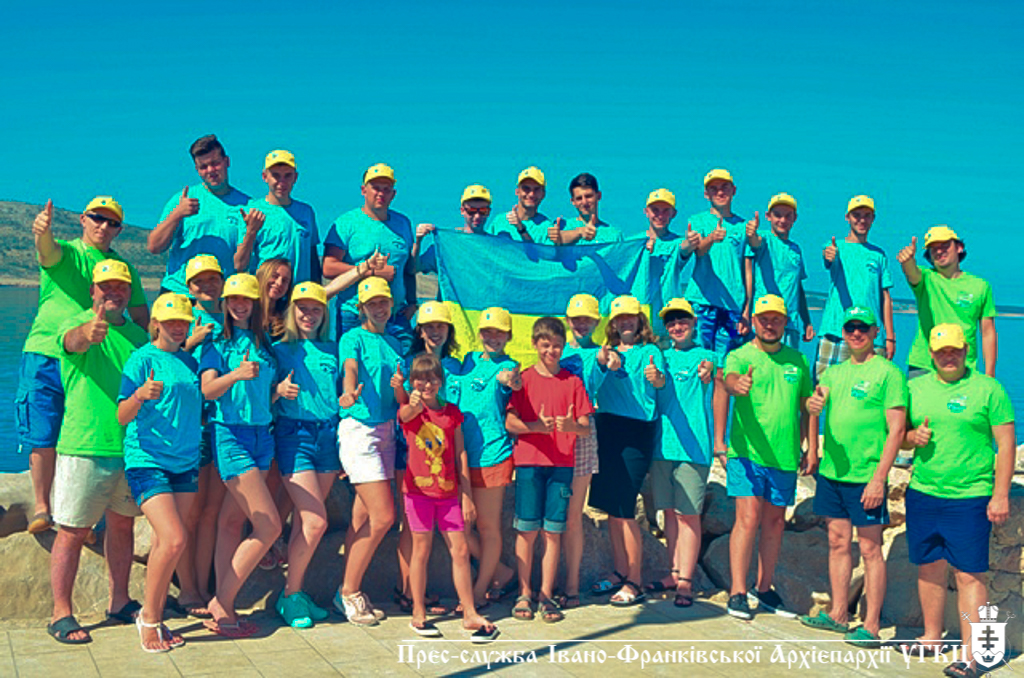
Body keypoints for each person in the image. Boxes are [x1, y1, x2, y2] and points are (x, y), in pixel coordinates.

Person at [19, 197, 148, 536]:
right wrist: (41, 232)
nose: (103, 226)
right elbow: (47, 251)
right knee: (43, 431)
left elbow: (140, 316)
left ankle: (78, 515)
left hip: (95, 360)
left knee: (79, 432)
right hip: (48, 351)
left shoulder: (123, 268)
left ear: (119, 230)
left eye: (112, 222)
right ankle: (42, 507)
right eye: (97, 218)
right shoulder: (69, 252)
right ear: (82, 219)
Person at [899, 324, 1015, 678]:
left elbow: (1006, 444)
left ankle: (973, 656)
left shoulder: (988, 389)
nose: (948, 356)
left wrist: (1000, 494)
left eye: (954, 350)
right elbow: (897, 437)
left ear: (966, 350)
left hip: (970, 496)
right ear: (931, 354)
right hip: (923, 492)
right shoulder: (914, 388)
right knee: (929, 566)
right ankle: (931, 638)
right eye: (941, 351)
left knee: (969, 575)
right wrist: (912, 437)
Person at [46, 260, 148, 645]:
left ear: (129, 292)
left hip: (129, 448)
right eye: (106, 286)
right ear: (92, 291)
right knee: (73, 530)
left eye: (121, 286)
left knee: (122, 525)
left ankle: (119, 601)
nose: (114, 292)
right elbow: (72, 342)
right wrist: (87, 334)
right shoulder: (76, 324)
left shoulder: (138, 337)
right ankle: (60, 612)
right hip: (85, 446)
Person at [800, 307, 906, 648]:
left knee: (871, 549)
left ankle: (871, 625)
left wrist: (879, 478)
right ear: (843, 333)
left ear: (875, 332)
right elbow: (815, 406)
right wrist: (812, 448)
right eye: (850, 328)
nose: (856, 333)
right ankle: (838, 613)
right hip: (833, 473)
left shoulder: (889, 373)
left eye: (863, 327)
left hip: (866, 476)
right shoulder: (834, 373)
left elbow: (897, 430)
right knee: (837, 542)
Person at [117, 293, 202, 652]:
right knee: (174, 539)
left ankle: (156, 614)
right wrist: (139, 395)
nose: (177, 327)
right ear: (155, 324)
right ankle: (149, 618)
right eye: (170, 322)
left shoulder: (190, 362)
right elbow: (122, 415)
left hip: (185, 462)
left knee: (165, 544)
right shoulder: (141, 359)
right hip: (148, 460)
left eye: (182, 322)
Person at [199, 273, 281, 637]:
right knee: (269, 525)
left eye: (245, 299)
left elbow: (262, 394)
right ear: (225, 303)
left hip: (263, 436)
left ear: (255, 303)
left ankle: (225, 607)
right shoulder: (217, 343)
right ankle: (222, 601)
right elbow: (208, 390)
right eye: (233, 299)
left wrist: (279, 392)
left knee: (232, 522)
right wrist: (235, 375)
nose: (239, 304)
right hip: (231, 435)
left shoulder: (265, 343)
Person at [722, 294, 813, 620]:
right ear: (754, 321)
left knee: (774, 523)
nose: (770, 324)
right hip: (746, 454)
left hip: (784, 456)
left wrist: (810, 448)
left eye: (776, 319)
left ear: (785, 322)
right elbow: (728, 381)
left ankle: (763, 588)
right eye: (764, 319)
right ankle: (736, 592)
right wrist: (737, 384)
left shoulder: (798, 361)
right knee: (747, 519)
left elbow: (807, 405)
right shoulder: (739, 355)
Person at [399, 353, 500, 640]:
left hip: (448, 494)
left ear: (441, 381)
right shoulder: (409, 410)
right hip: (418, 494)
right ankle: (418, 612)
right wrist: (412, 403)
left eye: (432, 379)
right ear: (412, 382)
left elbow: (460, 453)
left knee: (461, 550)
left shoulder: (452, 413)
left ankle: (469, 612)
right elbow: (404, 416)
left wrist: (466, 495)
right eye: (420, 379)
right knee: (421, 550)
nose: (426, 384)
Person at [506, 317, 593, 623]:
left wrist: (570, 426)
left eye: (556, 346)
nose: (551, 351)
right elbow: (510, 422)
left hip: (561, 466)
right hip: (529, 464)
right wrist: (535, 427)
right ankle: (524, 593)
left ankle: (546, 595)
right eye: (545, 345)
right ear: (534, 344)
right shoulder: (523, 380)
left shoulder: (573, 382)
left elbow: (585, 426)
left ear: (563, 346)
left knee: (553, 532)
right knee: (527, 530)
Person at [333, 276, 403, 625]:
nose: (379, 308)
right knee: (384, 517)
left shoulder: (395, 343)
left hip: (387, 432)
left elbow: (399, 392)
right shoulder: (352, 338)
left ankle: (347, 589)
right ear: (361, 308)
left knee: (361, 519)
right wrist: (348, 392)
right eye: (372, 303)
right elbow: (350, 368)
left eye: (383, 302)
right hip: (360, 431)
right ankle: (349, 592)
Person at [588, 296, 666, 606]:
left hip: (636, 430)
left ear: (639, 320)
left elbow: (659, 382)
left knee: (625, 507)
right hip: (607, 427)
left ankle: (635, 580)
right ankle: (620, 571)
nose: (625, 322)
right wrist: (604, 364)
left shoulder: (650, 351)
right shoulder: (605, 352)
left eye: (630, 317)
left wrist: (656, 378)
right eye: (620, 318)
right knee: (611, 508)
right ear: (613, 323)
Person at [271, 282, 339, 628]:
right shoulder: (278, 350)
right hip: (294, 435)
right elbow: (261, 394)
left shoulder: (333, 349)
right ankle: (289, 595)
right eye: (303, 309)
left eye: (315, 309)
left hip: (328, 436)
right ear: (292, 312)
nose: (309, 315)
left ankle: (296, 594)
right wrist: (278, 390)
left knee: (304, 521)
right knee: (316, 521)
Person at [391, 301, 464, 614]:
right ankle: (408, 593)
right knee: (411, 529)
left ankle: (415, 593)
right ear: (419, 331)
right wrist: (400, 391)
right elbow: (404, 408)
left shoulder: (457, 365)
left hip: (446, 452)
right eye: (429, 326)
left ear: (449, 330)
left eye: (440, 326)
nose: (435, 332)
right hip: (410, 451)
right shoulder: (409, 364)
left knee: (449, 532)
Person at [650, 298, 716, 607]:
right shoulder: (660, 358)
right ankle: (674, 572)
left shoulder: (708, 357)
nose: (677, 326)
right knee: (668, 513)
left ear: (693, 322)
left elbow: (715, 374)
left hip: (694, 450)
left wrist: (709, 373)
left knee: (688, 515)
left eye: (683, 320)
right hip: (662, 447)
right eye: (672, 322)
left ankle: (687, 581)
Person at [685, 169, 753, 464]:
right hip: (702, 304)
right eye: (714, 188)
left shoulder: (743, 227)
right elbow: (698, 252)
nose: (720, 192)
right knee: (700, 368)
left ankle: (719, 441)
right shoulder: (697, 221)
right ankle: (697, 433)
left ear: (733, 190)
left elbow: (747, 268)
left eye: (725, 187)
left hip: (732, 308)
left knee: (723, 374)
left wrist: (747, 308)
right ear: (706, 193)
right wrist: (711, 238)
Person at [455, 308, 521, 606]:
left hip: (492, 455)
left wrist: (511, 381)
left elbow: (512, 382)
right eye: (488, 332)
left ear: (508, 336)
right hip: (460, 456)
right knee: (457, 525)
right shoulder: (468, 361)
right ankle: (502, 572)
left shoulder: (508, 366)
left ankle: (480, 590)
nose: (493, 337)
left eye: (500, 332)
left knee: (487, 527)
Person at [558, 294, 620, 609]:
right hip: (554, 432)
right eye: (576, 318)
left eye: (587, 319)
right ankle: (547, 583)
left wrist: (605, 361)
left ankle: (570, 585)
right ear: (568, 320)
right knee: (551, 513)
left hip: (583, 432)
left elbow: (598, 379)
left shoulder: (600, 354)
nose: (581, 324)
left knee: (572, 515)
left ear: (597, 322)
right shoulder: (556, 351)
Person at [178, 255, 227, 616]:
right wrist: (190, 342)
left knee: (211, 512)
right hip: (191, 426)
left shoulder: (232, 317)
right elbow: (160, 360)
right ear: (189, 286)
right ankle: (187, 590)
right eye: (200, 281)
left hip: (221, 426)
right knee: (191, 514)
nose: (207, 286)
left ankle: (203, 584)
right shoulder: (182, 318)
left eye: (213, 279)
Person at [322, 163, 416, 350]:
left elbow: (408, 268)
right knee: (355, 365)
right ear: (364, 190)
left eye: (386, 189)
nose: (381, 193)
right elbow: (328, 267)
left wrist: (413, 303)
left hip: (396, 314)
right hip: (355, 313)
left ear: (393, 194)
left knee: (403, 364)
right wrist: (371, 271)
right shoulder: (346, 223)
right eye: (376, 188)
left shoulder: (403, 223)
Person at [148, 134, 252, 295]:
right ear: (197, 170)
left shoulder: (247, 206)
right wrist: (177, 215)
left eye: (215, 163)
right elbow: (154, 247)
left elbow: (242, 264)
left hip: (219, 297)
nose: (210, 170)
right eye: (203, 167)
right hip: (179, 292)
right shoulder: (183, 199)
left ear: (227, 162)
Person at [896, 225, 997, 378]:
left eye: (944, 245)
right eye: (933, 249)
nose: (939, 251)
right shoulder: (926, 278)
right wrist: (907, 261)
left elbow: (988, 333)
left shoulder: (980, 286)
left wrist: (990, 374)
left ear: (959, 248)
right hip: (924, 365)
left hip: (963, 366)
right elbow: (912, 273)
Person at [814, 195, 895, 381]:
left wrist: (890, 337)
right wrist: (829, 255)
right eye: (856, 215)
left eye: (867, 215)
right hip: (836, 332)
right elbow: (829, 258)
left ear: (873, 219)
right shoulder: (835, 246)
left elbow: (885, 297)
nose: (861, 220)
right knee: (824, 388)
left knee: (869, 390)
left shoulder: (879, 255)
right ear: (847, 217)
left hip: (871, 336)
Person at [234, 150, 321, 284]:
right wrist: (251, 231)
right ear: (265, 176)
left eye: (287, 176)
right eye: (276, 175)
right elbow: (239, 265)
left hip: (299, 293)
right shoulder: (252, 212)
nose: (282, 182)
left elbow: (312, 259)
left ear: (295, 177)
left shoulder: (306, 212)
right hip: (266, 292)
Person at [748, 193, 815, 348]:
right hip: (763, 322)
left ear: (794, 218)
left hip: (790, 323)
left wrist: (807, 321)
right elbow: (755, 242)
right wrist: (751, 235)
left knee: (788, 363)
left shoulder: (796, 250)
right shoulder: (764, 238)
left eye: (788, 216)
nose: (783, 220)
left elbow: (798, 288)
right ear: (768, 216)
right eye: (777, 215)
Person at [415, 184, 493, 279]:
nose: (477, 216)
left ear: (489, 212)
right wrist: (418, 242)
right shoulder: (447, 245)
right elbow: (414, 269)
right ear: (462, 210)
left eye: (483, 211)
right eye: (471, 210)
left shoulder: (494, 248)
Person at [485, 167, 561, 243]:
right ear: (517, 192)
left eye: (536, 189)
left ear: (543, 194)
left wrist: (521, 229)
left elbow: (545, 251)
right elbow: (485, 247)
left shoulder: (547, 227)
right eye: (526, 188)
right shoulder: (500, 221)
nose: (531, 194)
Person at [550, 173, 623, 245]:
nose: (584, 202)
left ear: (599, 196)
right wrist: (580, 232)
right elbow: (555, 240)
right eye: (579, 198)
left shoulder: (613, 235)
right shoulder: (563, 226)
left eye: (588, 196)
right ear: (573, 202)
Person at [255, 258, 294, 342]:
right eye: (274, 276)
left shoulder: (288, 320)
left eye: (285, 281)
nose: (279, 283)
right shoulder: (246, 312)